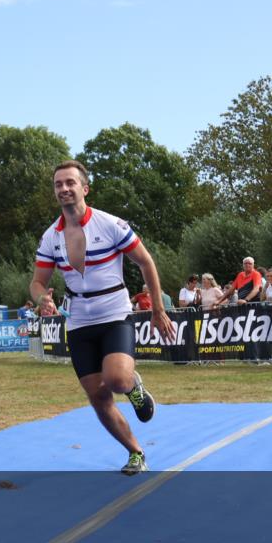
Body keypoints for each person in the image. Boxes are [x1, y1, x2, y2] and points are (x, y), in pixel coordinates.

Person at [31, 160, 174, 476]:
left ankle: (134, 387)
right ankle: (135, 452)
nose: (64, 189)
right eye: (58, 184)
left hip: (114, 312)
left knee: (117, 380)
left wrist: (158, 310)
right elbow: (37, 282)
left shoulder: (111, 224)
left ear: (85, 188)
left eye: (70, 182)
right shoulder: (50, 237)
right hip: (80, 321)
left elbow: (145, 262)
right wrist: (42, 298)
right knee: (98, 396)